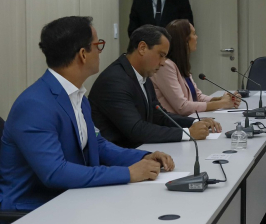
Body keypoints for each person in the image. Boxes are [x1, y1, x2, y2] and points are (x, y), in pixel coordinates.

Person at [0, 16, 175, 214]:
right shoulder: (34, 105)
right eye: (98, 45)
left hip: (71, 197)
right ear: (83, 54)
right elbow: (55, 172)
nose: (100, 51)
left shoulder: (77, 95)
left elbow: (97, 145)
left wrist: (145, 157)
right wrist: (127, 173)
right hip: (34, 209)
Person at [89, 25, 222, 149]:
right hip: (118, 158)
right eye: (161, 55)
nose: (163, 62)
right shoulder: (114, 81)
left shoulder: (142, 75)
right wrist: (188, 133)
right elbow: (136, 130)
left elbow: (159, 115)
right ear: (142, 48)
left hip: (141, 150)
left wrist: (193, 122)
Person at [151, 20, 242, 116]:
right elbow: (182, 107)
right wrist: (222, 103)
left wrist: (223, 99)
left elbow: (197, 97)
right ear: (184, 40)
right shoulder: (165, 66)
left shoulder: (180, 63)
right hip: (175, 125)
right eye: (194, 34)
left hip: (191, 118)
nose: (196, 37)